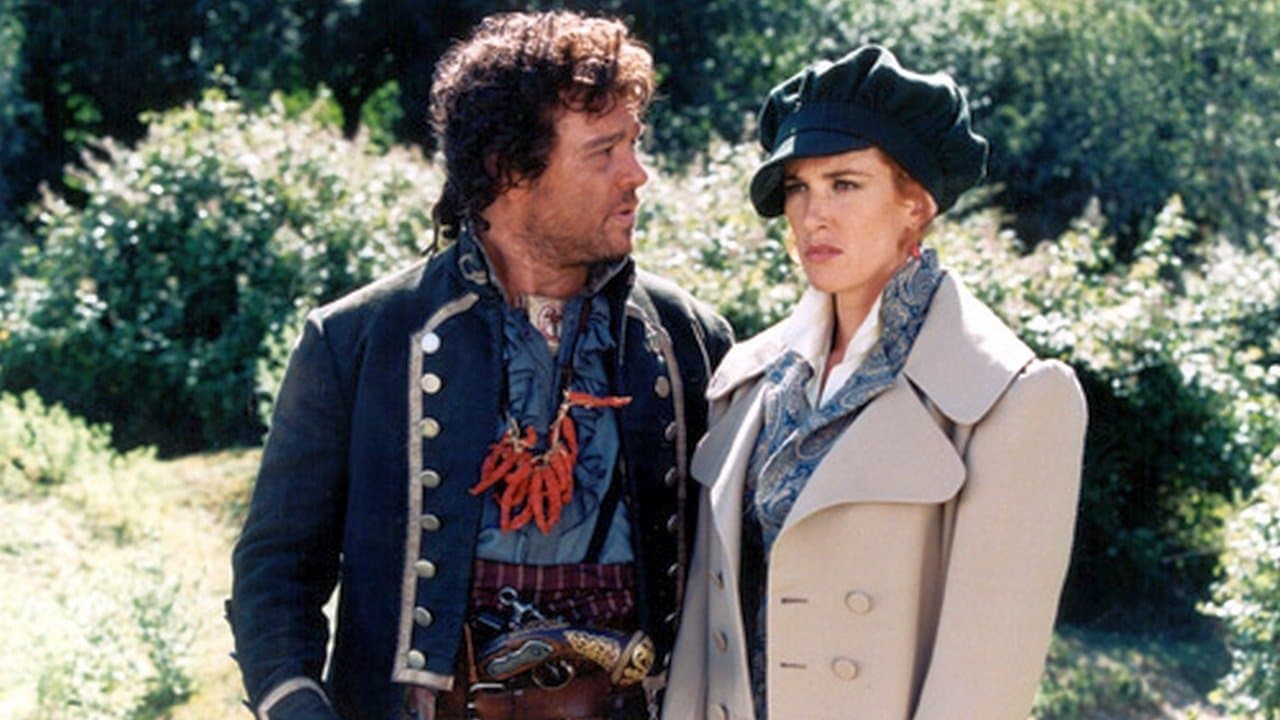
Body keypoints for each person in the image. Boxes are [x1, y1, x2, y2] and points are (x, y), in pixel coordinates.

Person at [228, 11, 733, 720]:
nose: (637, 174)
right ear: (509, 170)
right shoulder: (360, 341)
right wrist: (299, 708)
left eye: (634, 144)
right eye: (603, 151)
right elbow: (276, 575)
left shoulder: (688, 341)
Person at [661, 45, 1087, 720]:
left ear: (915, 203)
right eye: (797, 187)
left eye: (845, 184)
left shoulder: (1011, 399)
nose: (813, 215)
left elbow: (983, 686)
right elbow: (702, 648)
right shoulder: (746, 379)